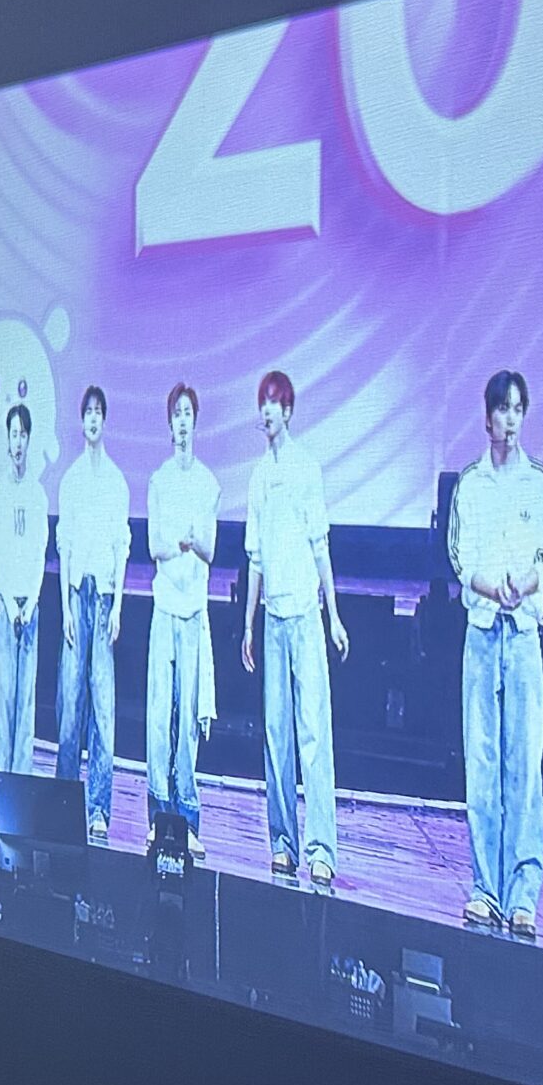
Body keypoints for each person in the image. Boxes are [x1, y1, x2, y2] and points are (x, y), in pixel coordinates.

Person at [447, 370, 543, 938]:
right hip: (481, 632)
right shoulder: (469, 484)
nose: (510, 420)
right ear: (487, 417)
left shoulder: (539, 482)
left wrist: (527, 582)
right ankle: (485, 887)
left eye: (518, 409)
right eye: (502, 409)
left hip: (521, 636)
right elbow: (459, 555)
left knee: (524, 761)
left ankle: (523, 894)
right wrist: (490, 587)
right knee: (482, 759)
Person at [241, 370, 349, 889]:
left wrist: (334, 614)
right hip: (274, 620)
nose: (267, 411)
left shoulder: (306, 468)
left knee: (313, 732)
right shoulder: (258, 476)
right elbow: (255, 558)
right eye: (262, 403)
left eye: (274, 403)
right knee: (276, 735)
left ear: (288, 410)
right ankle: (281, 843)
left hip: (305, 616)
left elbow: (319, 545)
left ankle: (321, 848)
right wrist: (248, 623)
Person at [144, 382, 220, 860]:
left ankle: (188, 820)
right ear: (169, 423)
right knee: (159, 717)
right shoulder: (159, 481)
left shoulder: (208, 483)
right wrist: (180, 543)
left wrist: (193, 542)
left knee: (188, 719)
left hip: (193, 612)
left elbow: (210, 549)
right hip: (164, 607)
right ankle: (158, 818)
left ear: (196, 420)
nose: (183, 422)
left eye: (189, 413)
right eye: (177, 414)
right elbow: (154, 545)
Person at [54, 385, 131, 842]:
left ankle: (99, 807)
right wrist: (65, 604)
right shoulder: (71, 480)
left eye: (100, 411)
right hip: (76, 596)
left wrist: (118, 603)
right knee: (70, 705)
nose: (94, 419)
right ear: (81, 420)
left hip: (102, 599)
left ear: (105, 419)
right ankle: (65, 804)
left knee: (103, 707)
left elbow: (121, 547)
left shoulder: (117, 481)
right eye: (88, 412)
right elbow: (64, 546)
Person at [0, 402, 50, 780]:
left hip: (31, 607)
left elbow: (41, 551)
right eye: (14, 434)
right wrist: (10, 604)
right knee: (5, 696)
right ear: (7, 441)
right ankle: (2, 778)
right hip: (6, 607)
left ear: (29, 439)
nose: (19, 442)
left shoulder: (38, 494)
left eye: (23, 434)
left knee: (26, 701)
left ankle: (21, 780)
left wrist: (32, 601)